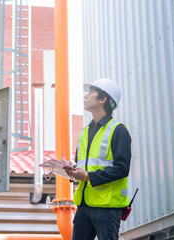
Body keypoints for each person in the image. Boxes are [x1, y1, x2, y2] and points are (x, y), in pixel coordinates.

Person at [64, 78, 132, 240]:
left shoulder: (118, 130)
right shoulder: (83, 133)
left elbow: (122, 169)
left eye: (91, 92)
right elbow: (83, 166)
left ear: (103, 99)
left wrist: (88, 176)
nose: (86, 96)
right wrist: (72, 171)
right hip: (84, 205)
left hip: (107, 207)